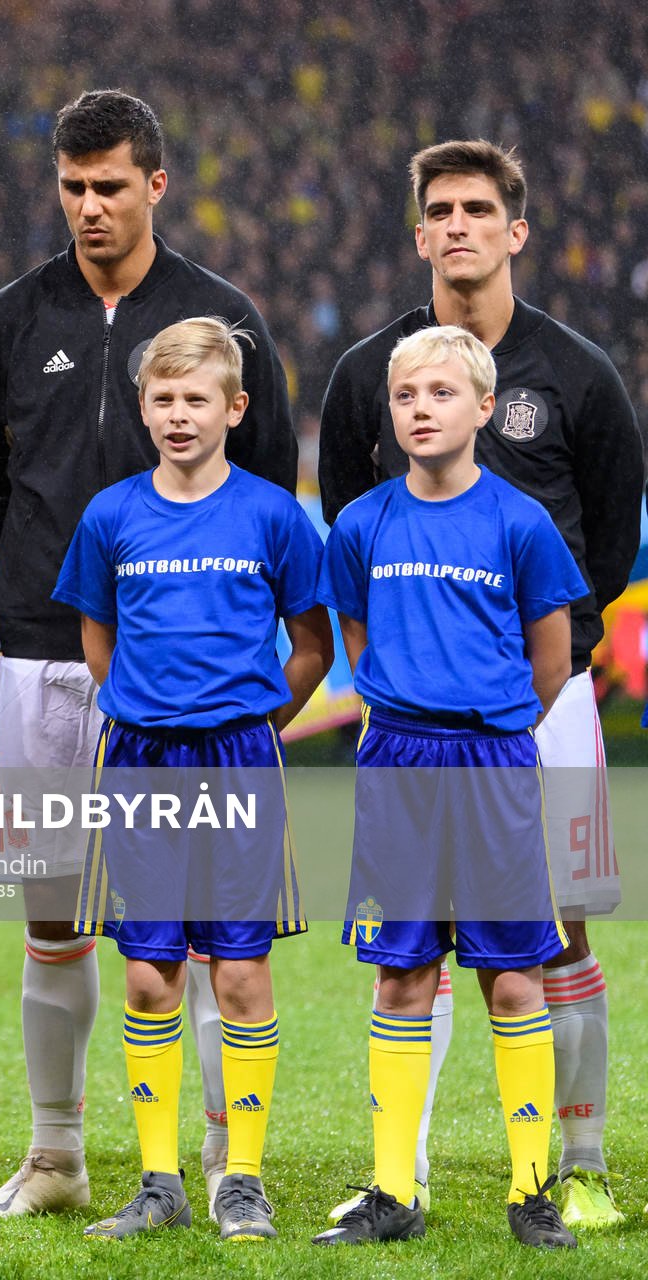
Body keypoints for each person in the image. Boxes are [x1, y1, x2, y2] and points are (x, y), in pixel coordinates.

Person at [0, 89, 297, 1218]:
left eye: (110, 185)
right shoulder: (14, 314)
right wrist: (73, 572)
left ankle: (214, 1163)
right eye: (72, 186)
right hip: (45, 660)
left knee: (198, 931)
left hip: (186, 685)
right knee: (53, 913)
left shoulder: (219, 312)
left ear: (156, 183)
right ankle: (57, 1158)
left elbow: (269, 474)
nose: (89, 206)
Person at [316, 139, 644, 1230]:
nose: (458, 225)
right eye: (439, 210)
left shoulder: (581, 372)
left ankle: (579, 1162)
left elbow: (605, 529)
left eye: (478, 208)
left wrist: (534, 676)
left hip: (539, 709)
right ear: (419, 235)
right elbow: (350, 534)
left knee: (563, 931)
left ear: (516, 230)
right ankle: (399, 1174)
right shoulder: (370, 370)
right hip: (417, 721)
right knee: (415, 948)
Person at [54, 318, 331, 1242]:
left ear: (235, 408)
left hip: (238, 760)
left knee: (243, 974)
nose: (179, 415)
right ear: (143, 408)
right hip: (140, 761)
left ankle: (241, 1178)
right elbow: (97, 637)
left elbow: (312, 644)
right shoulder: (112, 515)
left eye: (197, 398)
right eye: (163, 399)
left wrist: (256, 723)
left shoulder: (273, 514)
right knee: (147, 975)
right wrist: (139, 702)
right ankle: (159, 1180)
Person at [312, 326, 582, 1250]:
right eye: (405, 397)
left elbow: (552, 658)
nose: (421, 409)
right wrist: (406, 704)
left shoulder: (520, 521)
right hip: (398, 763)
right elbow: (357, 644)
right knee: (402, 974)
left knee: (513, 976)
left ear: (480, 407)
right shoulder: (361, 525)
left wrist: (490, 721)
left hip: (493, 764)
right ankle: (394, 1193)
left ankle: (531, 1191)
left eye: (439, 394)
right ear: (389, 415)